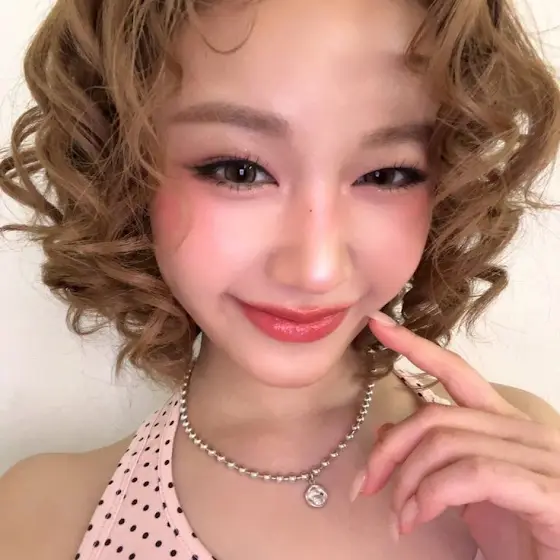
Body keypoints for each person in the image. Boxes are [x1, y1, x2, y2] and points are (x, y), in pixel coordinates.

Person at [1, 0, 560, 558]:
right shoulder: (41, 521)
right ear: (124, 173)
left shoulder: (521, 464)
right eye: (239, 171)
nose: (317, 270)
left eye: (387, 174)